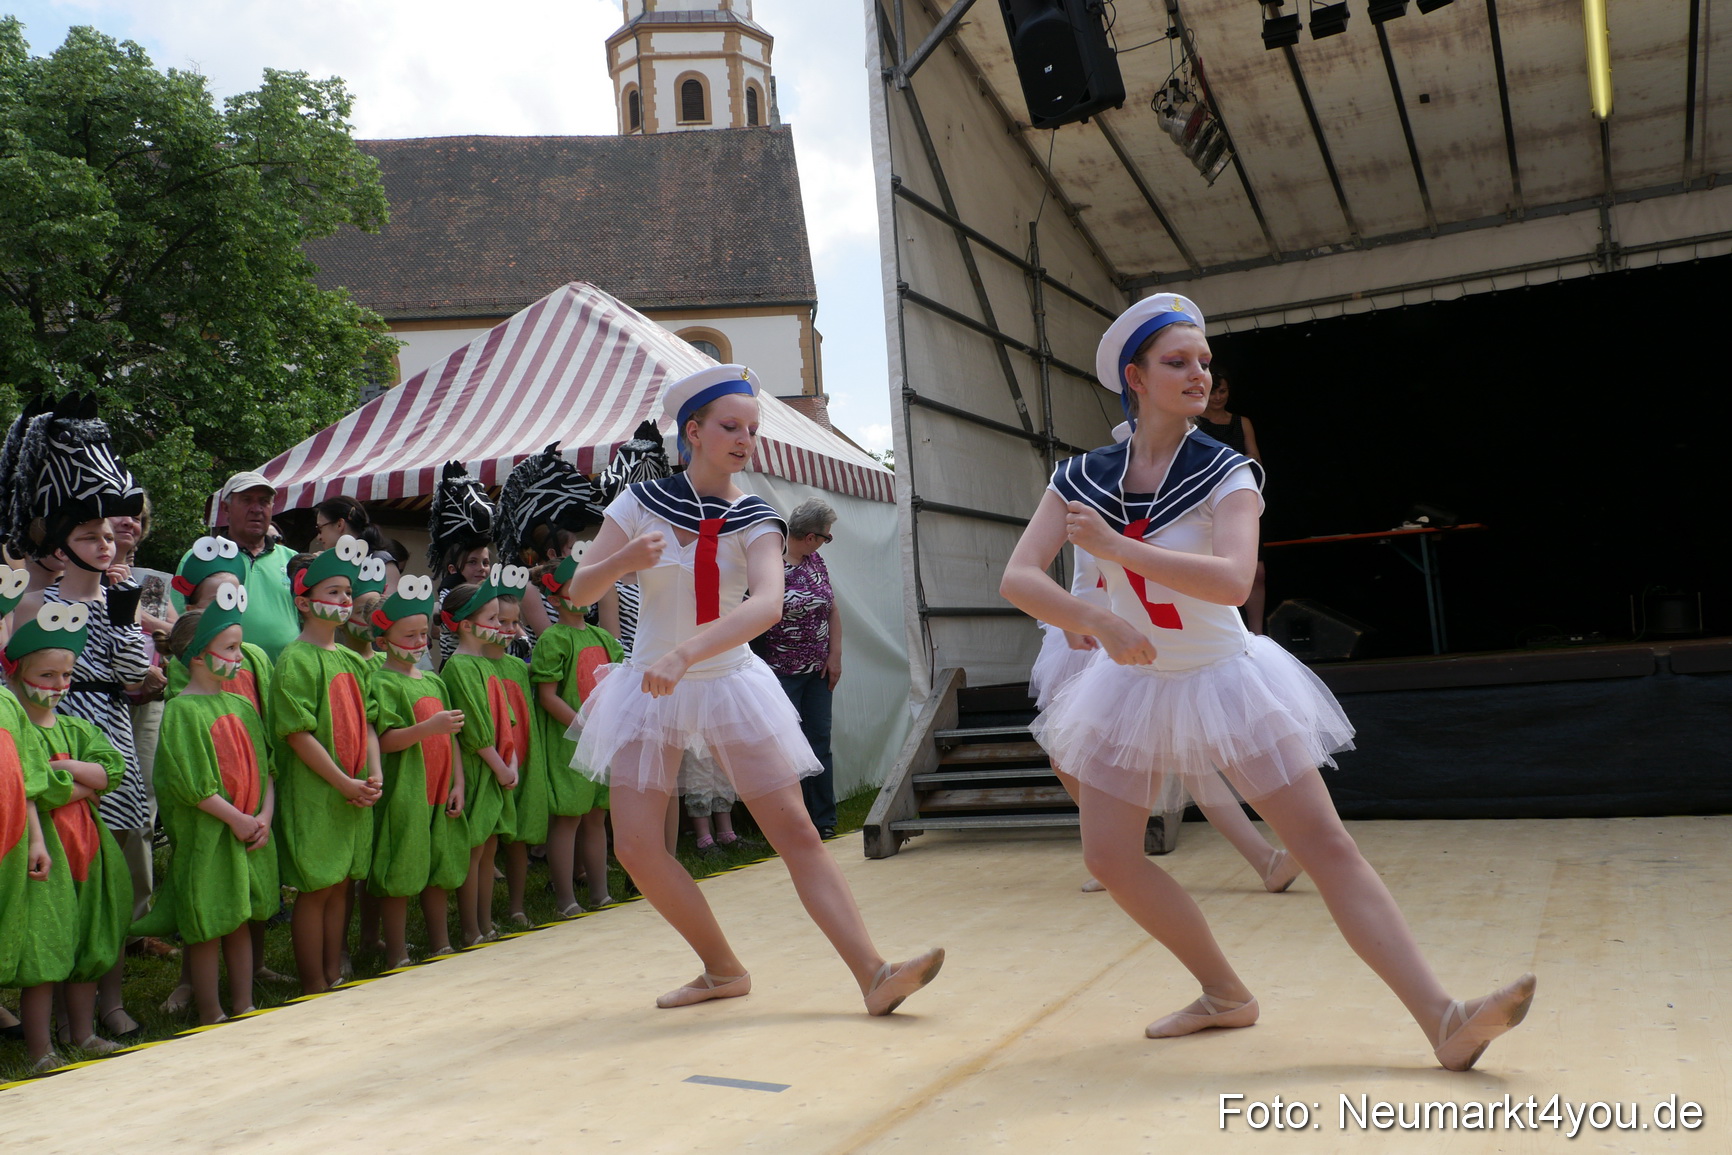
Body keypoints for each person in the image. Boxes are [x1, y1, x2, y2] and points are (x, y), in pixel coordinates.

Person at [999, 294, 1534, 1070]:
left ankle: (1443, 1016)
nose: (1200, 374)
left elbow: (1231, 578)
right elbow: (1017, 576)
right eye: (1178, 362)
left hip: (1225, 678)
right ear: (1134, 378)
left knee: (1324, 844)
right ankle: (1224, 993)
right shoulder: (1081, 476)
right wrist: (1097, 620)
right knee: (1109, 857)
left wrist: (1118, 549)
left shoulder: (1227, 471)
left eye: (1205, 361)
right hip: (1132, 685)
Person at [565, 364, 942, 1014]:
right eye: (731, 426)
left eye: (752, 429)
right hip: (649, 687)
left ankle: (874, 973)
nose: (745, 439)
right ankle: (721, 969)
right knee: (636, 846)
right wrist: (622, 561)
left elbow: (768, 604)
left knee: (796, 831)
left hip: (728, 683)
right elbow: (578, 593)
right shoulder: (639, 502)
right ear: (693, 431)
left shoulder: (756, 516)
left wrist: (687, 653)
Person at [1036, 426, 1301, 897]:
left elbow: (1088, 578)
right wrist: (1079, 618)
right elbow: (1080, 579)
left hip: (1119, 638)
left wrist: (1083, 617)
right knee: (1176, 758)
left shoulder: (1111, 501)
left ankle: (1119, 854)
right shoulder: (1107, 492)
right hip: (1109, 630)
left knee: (1097, 754)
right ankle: (1127, 853)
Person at [5, 602, 131, 1055]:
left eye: (66, 675)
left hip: (88, 856)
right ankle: (42, 1051)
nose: (59, 685)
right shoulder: (15, 731)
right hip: (44, 857)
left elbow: (111, 771)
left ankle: (82, 1034)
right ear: (15, 673)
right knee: (44, 947)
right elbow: (33, 786)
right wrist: (81, 786)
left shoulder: (77, 729)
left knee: (89, 941)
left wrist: (67, 771)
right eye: (47, 675)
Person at [154, 592, 278, 1024]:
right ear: (197, 656)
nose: (240, 656)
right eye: (230, 648)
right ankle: (210, 1012)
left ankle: (244, 1005)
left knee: (240, 918)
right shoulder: (181, 711)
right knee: (208, 924)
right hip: (210, 839)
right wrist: (237, 820)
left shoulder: (242, 705)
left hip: (248, 832)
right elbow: (193, 786)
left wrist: (263, 817)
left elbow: (267, 768)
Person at [271, 539, 382, 995]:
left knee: (341, 887)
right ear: (303, 602)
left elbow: (369, 722)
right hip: (319, 793)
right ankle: (313, 982)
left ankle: (334, 972)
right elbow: (298, 733)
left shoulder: (353, 661)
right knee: (317, 888)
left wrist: (373, 774)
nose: (344, 600)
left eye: (347, 592)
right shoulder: (294, 660)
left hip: (354, 792)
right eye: (333, 592)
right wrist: (342, 782)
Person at [367, 576, 468, 966]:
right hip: (406, 794)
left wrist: (458, 782)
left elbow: (451, 737)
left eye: (423, 634)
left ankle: (440, 943)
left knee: (438, 864)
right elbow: (385, 740)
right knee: (401, 868)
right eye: (408, 636)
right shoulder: (382, 682)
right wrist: (428, 727)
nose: (419, 643)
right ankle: (396, 953)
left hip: (440, 791)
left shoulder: (434, 681)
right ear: (383, 641)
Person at [0, 569, 72, 1069]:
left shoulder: (8, 703)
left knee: (33, 939)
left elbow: (27, 778)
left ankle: (40, 1050)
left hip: (12, 845)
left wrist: (37, 839)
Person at [529, 558, 623, 913]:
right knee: (568, 817)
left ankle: (600, 893)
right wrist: (583, 726)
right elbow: (548, 696)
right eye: (575, 589)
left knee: (597, 816)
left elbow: (616, 687)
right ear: (555, 599)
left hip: (601, 741)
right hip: (568, 744)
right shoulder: (553, 640)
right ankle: (565, 899)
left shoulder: (603, 638)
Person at [439, 578, 518, 945]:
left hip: (498, 768)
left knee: (489, 849)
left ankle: (486, 924)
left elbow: (505, 720)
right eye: (493, 619)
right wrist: (501, 767)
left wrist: (511, 761)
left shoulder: (486, 663)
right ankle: (470, 929)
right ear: (467, 625)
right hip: (477, 770)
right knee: (473, 851)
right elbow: (472, 729)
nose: (500, 626)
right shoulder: (458, 667)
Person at [759, 497, 842, 838]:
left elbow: (832, 608)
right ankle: (794, 823)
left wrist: (835, 655)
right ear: (810, 536)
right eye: (826, 536)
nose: (825, 542)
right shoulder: (770, 565)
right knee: (785, 748)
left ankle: (824, 820)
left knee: (819, 741)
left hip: (818, 672)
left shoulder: (815, 561)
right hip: (782, 673)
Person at [171, 473, 300, 662]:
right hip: (218, 672)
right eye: (247, 500)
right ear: (226, 508)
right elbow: (178, 621)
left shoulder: (292, 559)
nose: (256, 509)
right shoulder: (201, 558)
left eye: (264, 501)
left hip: (284, 673)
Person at [485, 568, 542, 926]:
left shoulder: (517, 667)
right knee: (489, 840)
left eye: (515, 622)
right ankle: (482, 913)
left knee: (519, 837)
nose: (509, 629)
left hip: (521, 759)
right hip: (491, 762)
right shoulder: (474, 666)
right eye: (501, 621)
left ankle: (516, 906)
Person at [1193, 375, 1268, 634]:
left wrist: (1240, 462)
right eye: (1213, 392)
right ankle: (1225, 630)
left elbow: (1255, 456)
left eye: (1222, 391)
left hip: (1238, 495)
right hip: (1204, 499)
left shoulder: (1241, 421)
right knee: (1214, 568)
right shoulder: (1192, 421)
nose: (1217, 397)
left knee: (1256, 571)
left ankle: (1258, 633)